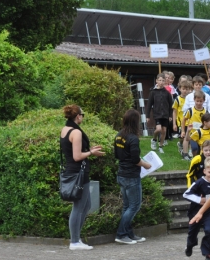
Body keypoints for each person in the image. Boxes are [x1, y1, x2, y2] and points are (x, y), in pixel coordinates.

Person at [60, 105, 105, 250]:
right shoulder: (76, 133)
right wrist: (91, 153)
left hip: (74, 171)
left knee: (86, 206)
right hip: (78, 172)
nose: (83, 117)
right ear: (78, 116)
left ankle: (77, 239)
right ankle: (74, 241)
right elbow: (77, 156)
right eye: (82, 115)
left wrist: (90, 150)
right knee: (78, 207)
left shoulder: (65, 129)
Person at [114, 109, 152, 245]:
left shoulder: (119, 135)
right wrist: (146, 165)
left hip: (122, 174)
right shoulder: (133, 138)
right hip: (131, 176)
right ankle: (121, 234)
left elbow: (117, 155)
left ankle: (129, 234)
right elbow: (136, 160)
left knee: (127, 206)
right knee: (134, 206)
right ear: (136, 122)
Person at [183, 156, 210, 260]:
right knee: (192, 232)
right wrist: (199, 200)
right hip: (195, 212)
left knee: (209, 231)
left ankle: (208, 254)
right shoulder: (199, 183)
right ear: (204, 171)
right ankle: (190, 244)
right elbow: (186, 194)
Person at [147, 74, 173, 153]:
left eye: (163, 81)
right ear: (156, 81)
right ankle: (154, 139)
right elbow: (149, 104)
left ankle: (161, 146)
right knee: (158, 129)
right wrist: (147, 116)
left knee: (164, 131)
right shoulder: (153, 92)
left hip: (165, 114)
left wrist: (170, 115)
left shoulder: (167, 93)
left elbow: (171, 105)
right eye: (160, 80)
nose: (161, 82)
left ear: (165, 82)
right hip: (157, 114)